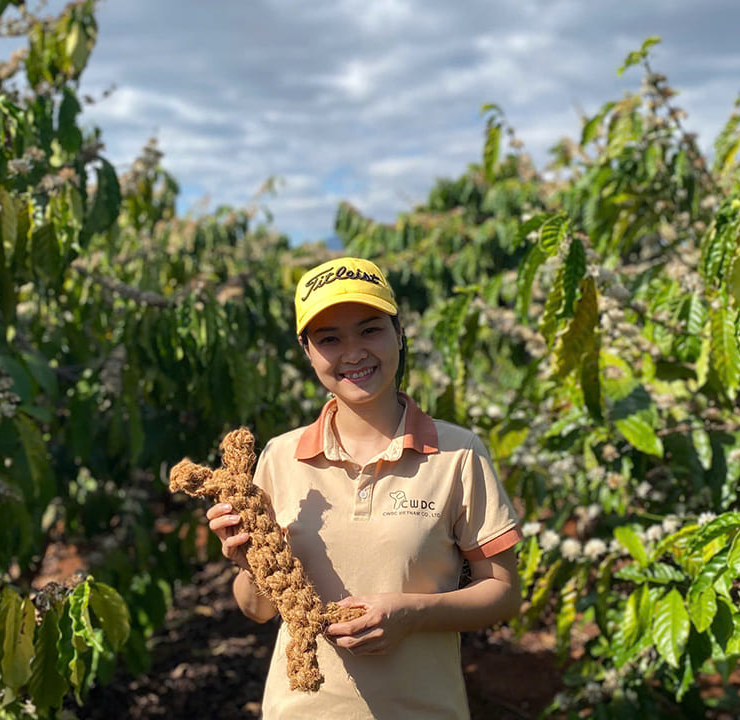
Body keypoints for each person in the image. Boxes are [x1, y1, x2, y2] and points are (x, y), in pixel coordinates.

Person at [205, 256, 523, 719]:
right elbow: (256, 610)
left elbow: (504, 591)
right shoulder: (279, 456)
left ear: (399, 333)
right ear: (307, 352)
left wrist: (410, 615)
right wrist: (249, 563)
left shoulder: (459, 454)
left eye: (370, 329)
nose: (352, 352)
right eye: (329, 339)